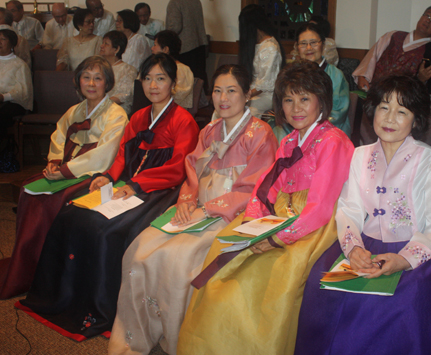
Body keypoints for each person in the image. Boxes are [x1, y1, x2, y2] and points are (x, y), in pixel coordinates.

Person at [295, 75, 431, 354]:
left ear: (415, 120)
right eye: (383, 107)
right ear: (372, 111)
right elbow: (350, 208)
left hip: (424, 247)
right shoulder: (359, 156)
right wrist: (353, 247)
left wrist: (404, 259)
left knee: (402, 308)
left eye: (402, 111)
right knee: (321, 291)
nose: (390, 118)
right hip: (367, 244)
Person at [16, 53, 199, 341]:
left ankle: (100, 308)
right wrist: (109, 177)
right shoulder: (138, 117)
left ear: (173, 84)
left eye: (161, 78)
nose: (154, 85)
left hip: (158, 189)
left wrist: (136, 185)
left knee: (108, 230)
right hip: (128, 183)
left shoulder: (183, 120)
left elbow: (177, 169)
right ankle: (64, 297)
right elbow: (122, 155)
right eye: (148, 78)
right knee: (72, 214)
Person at [177, 60, 354, 355]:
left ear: (322, 101)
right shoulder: (288, 142)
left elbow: (321, 207)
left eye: (304, 99)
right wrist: (253, 225)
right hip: (278, 215)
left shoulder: (332, 141)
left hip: (310, 225)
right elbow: (263, 191)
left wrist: (275, 238)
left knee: (276, 275)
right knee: (224, 251)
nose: (295, 108)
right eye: (288, 99)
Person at [108, 64, 279, 355]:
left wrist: (210, 208)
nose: (223, 98)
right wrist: (187, 202)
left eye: (232, 91)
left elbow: (254, 188)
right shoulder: (210, 130)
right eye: (217, 90)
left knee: (178, 258)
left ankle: (177, 339)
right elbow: (191, 173)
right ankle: (136, 337)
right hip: (197, 208)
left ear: (247, 94)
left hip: (232, 213)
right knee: (140, 247)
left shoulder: (260, 134)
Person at [0, 56, 128, 300]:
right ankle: (26, 264)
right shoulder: (75, 110)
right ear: (78, 80)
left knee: (53, 201)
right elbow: (59, 137)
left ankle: (50, 271)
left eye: (98, 78)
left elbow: (105, 153)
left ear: (107, 83)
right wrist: (54, 163)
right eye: (86, 77)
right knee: (28, 191)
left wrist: (66, 171)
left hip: (93, 173)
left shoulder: (117, 114)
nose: (91, 83)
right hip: (67, 166)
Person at [353, 5, 431, 92]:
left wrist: (422, 79)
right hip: (374, 91)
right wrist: (362, 76)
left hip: (401, 99)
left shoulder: (430, 51)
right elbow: (372, 56)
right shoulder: (393, 36)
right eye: (427, 15)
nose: (428, 20)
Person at [296, 23, 350, 137]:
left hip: (328, 129)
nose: (309, 48)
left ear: (323, 45)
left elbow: (338, 113)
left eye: (313, 43)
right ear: (297, 47)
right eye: (303, 44)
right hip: (297, 126)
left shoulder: (336, 75)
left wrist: (308, 126)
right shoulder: (292, 76)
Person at [238, 4, 285, 119]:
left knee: (247, 110)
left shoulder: (270, 47)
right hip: (251, 91)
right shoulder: (255, 44)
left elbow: (265, 84)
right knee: (223, 108)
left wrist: (245, 95)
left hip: (266, 94)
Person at [166, 0, 209, 93]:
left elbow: (175, 27)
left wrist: (164, 36)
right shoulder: (196, 1)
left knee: (185, 85)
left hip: (184, 46)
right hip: (199, 44)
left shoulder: (175, 2)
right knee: (198, 81)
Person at [152, 30, 194, 109]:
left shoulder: (182, 70)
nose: (152, 48)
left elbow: (179, 94)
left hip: (175, 112)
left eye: (155, 45)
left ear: (165, 49)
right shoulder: (153, 67)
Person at [0, 28, 32, 131]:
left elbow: (23, 91)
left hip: (12, 102)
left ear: (12, 43)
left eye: (3, 39)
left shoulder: (19, 64)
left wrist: (3, 97)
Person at [100, 30, 137, 115]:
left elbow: (125, 95)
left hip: (116, 111)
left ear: (117, 49)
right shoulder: (98, 67)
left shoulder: (128, 69)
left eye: (106, 44)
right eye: (102, 43)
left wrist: (100, 104)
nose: (101, 46)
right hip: (98, 108)